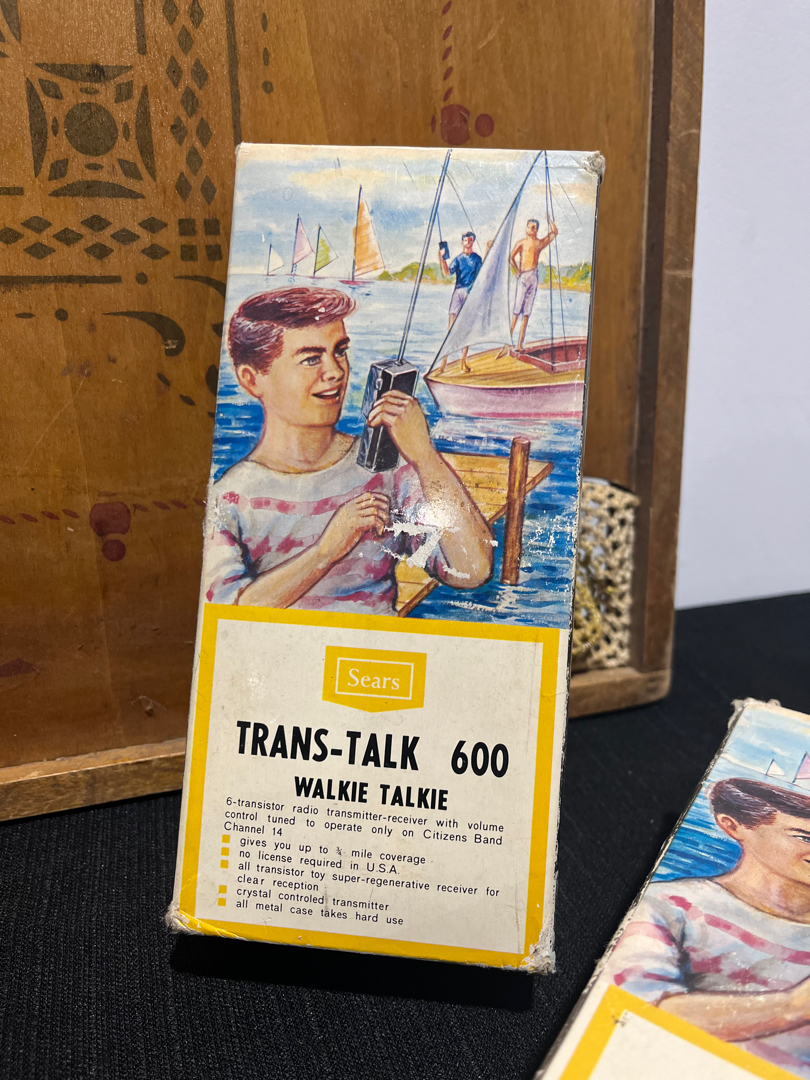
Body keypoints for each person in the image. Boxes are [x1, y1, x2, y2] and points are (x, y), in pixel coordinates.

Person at [203, 286, 493, 614]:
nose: (336, 372)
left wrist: (425, 457)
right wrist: (326, 552)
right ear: (251, 380)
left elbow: (473, 570)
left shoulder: (384, 469)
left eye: (339, 351)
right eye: (311, 359)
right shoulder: (232, 497)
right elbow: (223, 615)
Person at [605, 778, 810, 1077]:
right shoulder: (670, 906)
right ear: (733, 826)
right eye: (804, 837)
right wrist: (792, 1006)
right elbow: (631, 1010)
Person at [437, 231, 482, 374]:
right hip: (458, 293)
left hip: (470, 294)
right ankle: (443, 365)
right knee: (450, 330)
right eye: (465, 240)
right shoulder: (458, 259)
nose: (468, 242)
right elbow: (446, 273)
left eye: (470, 240)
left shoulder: (477, 259)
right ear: (462, 242)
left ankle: (463, 363)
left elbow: (481, 277)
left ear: (473, 242)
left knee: (466, 330)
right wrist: (441, 258)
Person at [510, 217, 558, 350]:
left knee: (526, 312)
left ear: (537, 230)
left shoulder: (539, 243)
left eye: (534, 228)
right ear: (526, 228)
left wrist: (549, 220)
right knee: (516, 310)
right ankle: (506, 343)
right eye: (530, 227)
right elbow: (511, 257)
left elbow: (554, 232)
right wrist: (517, 271)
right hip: (523, 276)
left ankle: (519, 344)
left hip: (534, 276)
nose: (532, 229)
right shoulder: (521, 243)